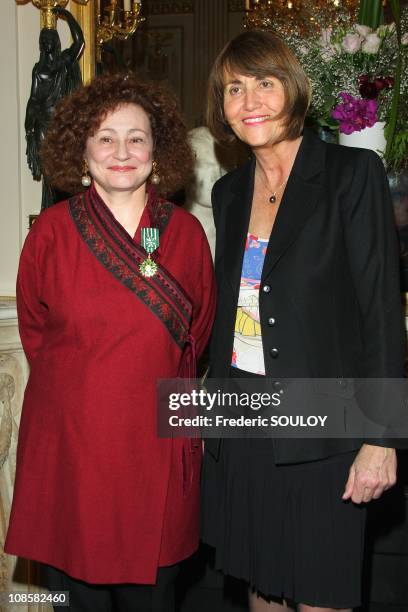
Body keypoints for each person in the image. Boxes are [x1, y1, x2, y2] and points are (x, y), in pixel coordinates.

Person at [201, 30, 406, 612]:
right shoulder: (228, 191)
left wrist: (380, 437)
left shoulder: (351, 174)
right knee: (261, 585)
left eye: (264, 82)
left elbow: (380, 314)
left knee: (321, 594)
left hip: (328, 429)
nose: (250, 101)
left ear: (292, 88)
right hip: (243, 421)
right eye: (234, 89)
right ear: (222, 109)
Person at [6, 72, 216, 611]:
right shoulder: (49, 232)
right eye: (105, 137)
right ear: (82, 150)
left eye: (137, 138)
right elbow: (34, 330)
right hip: (71, 452)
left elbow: (198, 333)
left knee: (156, 598)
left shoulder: (184, 234)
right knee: (73, 599)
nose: (121, 151)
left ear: (157, 150)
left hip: (155, 450)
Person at [25, 6, 84, 209]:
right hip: (43, 124)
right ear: (41, 44)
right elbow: (34, 100)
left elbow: (80, 42)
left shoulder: (64, 63)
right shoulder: (38, 69)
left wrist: (66, 16)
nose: (47, 42)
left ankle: (61, 209)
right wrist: (29, 129)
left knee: (65, 169)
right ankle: (49, 211)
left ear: (56, 42)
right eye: (44, 39)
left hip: (61, 125)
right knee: (49, 175)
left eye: (51, 39)